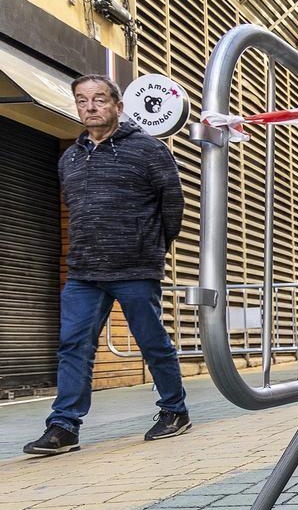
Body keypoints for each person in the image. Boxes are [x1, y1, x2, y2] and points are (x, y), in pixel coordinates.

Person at [24, 75, 189, 455]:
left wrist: (152, 248)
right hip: (84, 270)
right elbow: (77, 209)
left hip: (134, 267)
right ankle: (64, 426)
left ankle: (174, 410)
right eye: (82, 101)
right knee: (73, 346)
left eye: (99, 99)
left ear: (118, 105)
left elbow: (173, 205)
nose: (90, 107)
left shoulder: (148, 150)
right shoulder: (70, 157)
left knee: (151, 343)